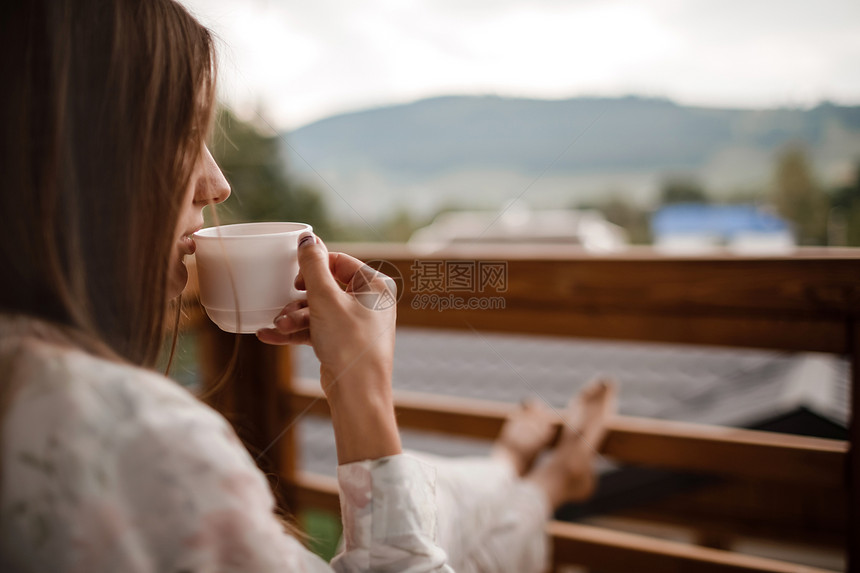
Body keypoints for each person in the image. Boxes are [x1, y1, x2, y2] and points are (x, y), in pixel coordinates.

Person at [0, 1, 615, 571]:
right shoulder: (145, 442)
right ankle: (548, 480)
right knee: (439, 507)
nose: (217, 186)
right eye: (183, 137)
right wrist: (363, 389)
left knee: (437, 490)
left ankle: (517, 467)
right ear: (81, 164)